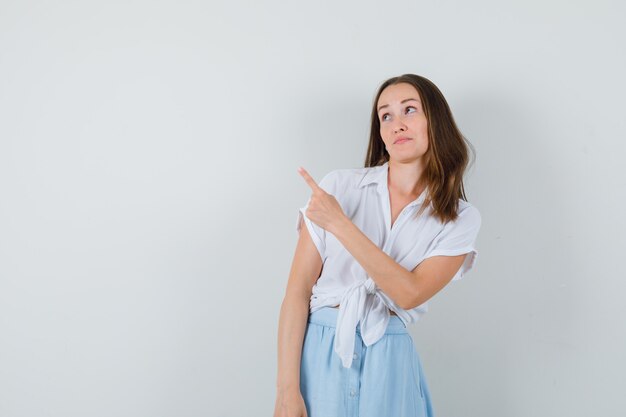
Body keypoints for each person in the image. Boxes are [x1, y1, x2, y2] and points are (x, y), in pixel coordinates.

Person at [274, 74, 482, 417]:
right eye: (386, 116)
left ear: (436, 121)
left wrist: (339, 223)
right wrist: (286, 390)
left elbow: (409, 292)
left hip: (389, 357)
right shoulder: (338, 186)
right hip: (320, 349)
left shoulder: (460, 218)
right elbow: (297, 291)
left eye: (409, 110)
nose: (397, 124)